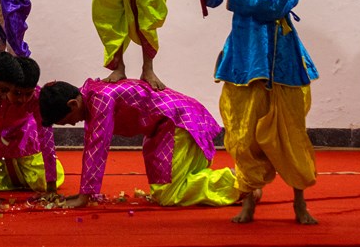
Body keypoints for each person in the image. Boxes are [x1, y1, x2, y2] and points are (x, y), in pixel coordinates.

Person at [187, 0, 319, 225]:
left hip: (280, 60)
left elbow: (277, 4)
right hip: (243, 58)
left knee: (289, 134)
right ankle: (250, 199)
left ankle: (299, 202)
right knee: (242, 136)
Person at [39, 78, 237, 209]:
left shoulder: (100, 99)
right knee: (174, 185)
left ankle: (237, 182)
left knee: (168, 194)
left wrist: (84, 197)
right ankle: (230, 183)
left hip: (177, 121)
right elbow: (91, 144)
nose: (72, 123)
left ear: (73, 104)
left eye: (67, 120)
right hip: (165, 128)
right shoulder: (92, 96)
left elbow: (96, 147)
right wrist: (85, 192)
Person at [0, 54, 63, 206]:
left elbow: (47, 138)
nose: (22, 100)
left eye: (28, 94)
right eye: (16, 93)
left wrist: (51, 188)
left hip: (24, 137)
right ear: (8, 86)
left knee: (40, 182)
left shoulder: (37, 98)